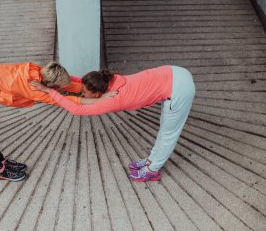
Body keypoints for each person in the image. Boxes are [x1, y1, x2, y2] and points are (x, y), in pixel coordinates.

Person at [30, 65, 195, 182]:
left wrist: (49, 92)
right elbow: (81, 81)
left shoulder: (113, 100)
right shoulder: (107, 80)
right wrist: (58, 80)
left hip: (179, 89)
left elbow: (78, 110)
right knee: (164, 128)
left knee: (168, 133)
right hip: (173, 72)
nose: (82, 94)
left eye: (85, 93)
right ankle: (151, 161)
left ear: (98, 94)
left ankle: (152, 171)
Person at [0, 62, 103, 182]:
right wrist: (97, 100)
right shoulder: (33, 89)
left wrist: (92, 89)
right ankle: (0, 171)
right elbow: (64, 100)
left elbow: (66, 84)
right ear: (50, 86)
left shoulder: (39, 71)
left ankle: (1, 162)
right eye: (57, 88)